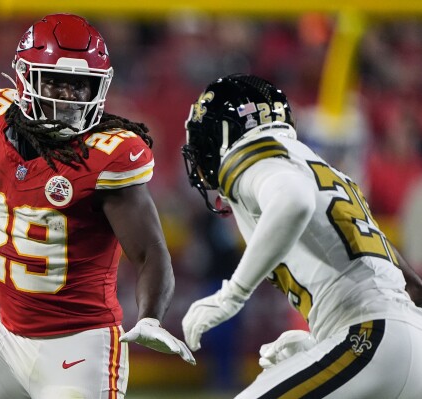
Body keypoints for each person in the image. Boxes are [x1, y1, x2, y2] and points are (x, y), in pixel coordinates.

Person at [0, 13, 194, 399]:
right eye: (56, 81)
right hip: (6, 334)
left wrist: (152, 317)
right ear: (23, 78)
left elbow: (150, 252)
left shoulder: (108, 156)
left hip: (80, 345)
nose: (68, 98)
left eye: (80, 86)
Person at [180, 73, 422, 398]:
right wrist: (321, 338)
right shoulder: (320, 168)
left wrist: (232, 295)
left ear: (226, 134)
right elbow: (411, 287)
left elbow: (293, 202)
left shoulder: (253, 157)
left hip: (371, 335)